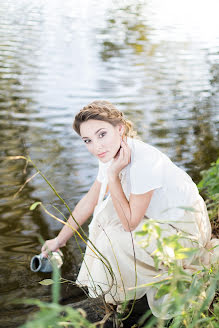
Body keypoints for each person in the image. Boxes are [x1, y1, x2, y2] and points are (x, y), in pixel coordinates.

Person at [41, 100, 218, 319]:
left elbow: (130, 223)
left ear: (120, 129)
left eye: (102, 134)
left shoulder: (145, 161)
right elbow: (90, 199)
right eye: (88, 140)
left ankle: (123, 299)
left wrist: (114, 175)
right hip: (158, 219)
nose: (96, 146)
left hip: (184, 229)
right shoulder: (110, 152)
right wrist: (59, 240)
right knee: (103, 216)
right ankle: (116, 295)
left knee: (115, 236)